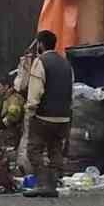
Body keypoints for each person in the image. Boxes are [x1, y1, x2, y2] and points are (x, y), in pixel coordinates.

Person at [18, 30, 73, 193]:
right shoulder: (66, 64)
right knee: (55, 150)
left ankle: (43, 184)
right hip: (63, 118)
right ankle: (53, 184)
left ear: (40, 44)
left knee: (33, 150)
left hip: (43, 117)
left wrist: (30, 111)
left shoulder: (40, 62)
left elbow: (36, 91)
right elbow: (70, 91)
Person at [0, 74, 25, 151]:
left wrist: (0, 124)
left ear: (6, 86)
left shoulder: (14, 98)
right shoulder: (7, 97)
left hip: (13, 133)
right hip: (10, 132)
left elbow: (13, 116)